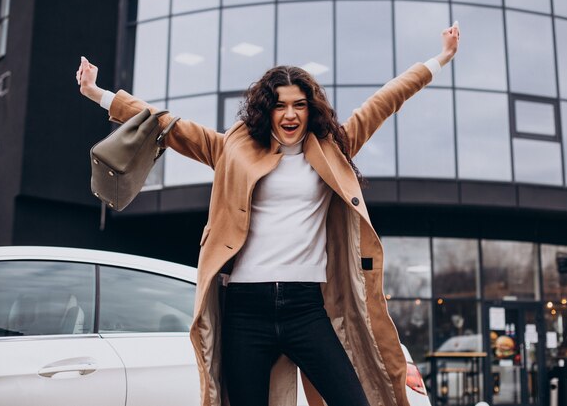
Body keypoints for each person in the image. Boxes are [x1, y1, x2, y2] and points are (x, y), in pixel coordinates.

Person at [77, 21, 459, 406]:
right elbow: (167, 125)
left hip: (307, 308)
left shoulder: (333, 148)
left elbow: (385, 100)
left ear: (311, 110)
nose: (289, 114)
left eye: (299, 104)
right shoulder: (233, 150)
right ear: (267, 109)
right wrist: (99, 94)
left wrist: (439, 59)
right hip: (246, 309)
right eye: (279, 105)